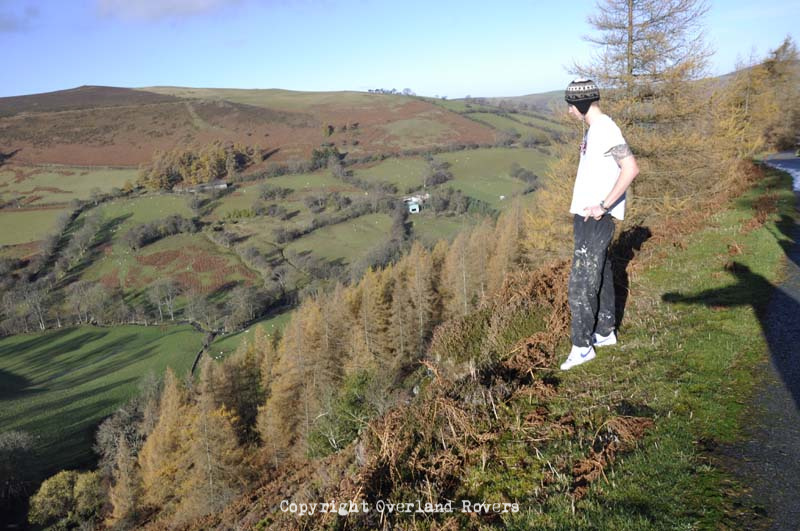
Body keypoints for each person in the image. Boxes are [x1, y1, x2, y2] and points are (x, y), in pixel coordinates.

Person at [559, 79, 639, 371]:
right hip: (589, 216)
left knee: (581, 283)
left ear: (580, 104)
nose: (569, 111)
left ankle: (582, 347)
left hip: (596, 218)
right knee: (602, 273)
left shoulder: (605, 129)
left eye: (571, 105)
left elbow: (631, 168)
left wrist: (603, 206)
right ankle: (605, 333)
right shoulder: (596, 130)